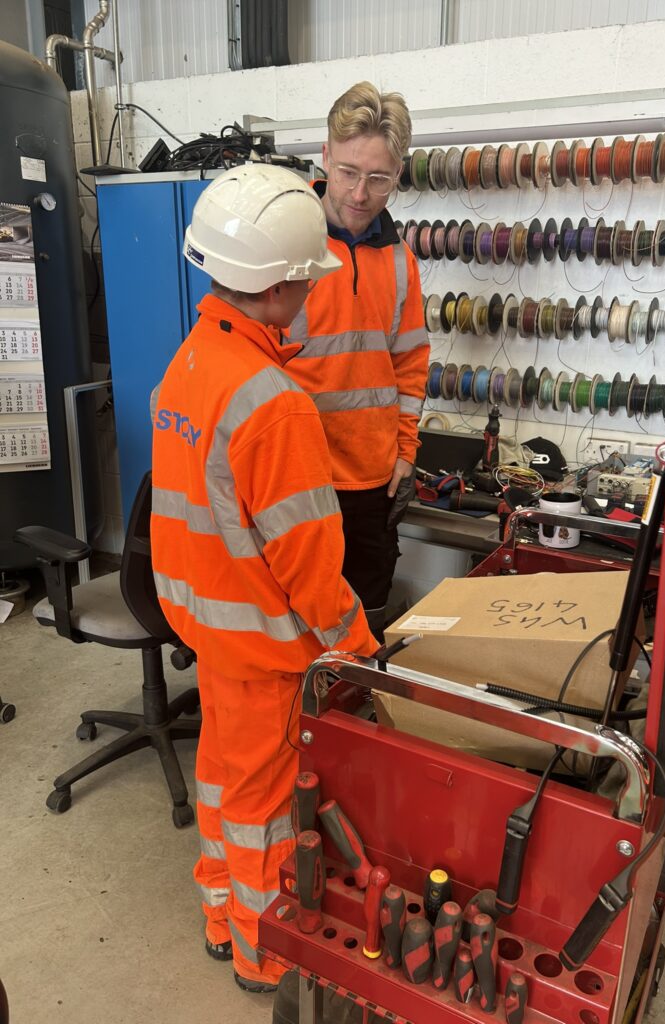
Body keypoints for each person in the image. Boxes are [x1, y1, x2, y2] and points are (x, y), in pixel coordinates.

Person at [150, 163, 378, 994]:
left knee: (221, 779)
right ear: (278, 288)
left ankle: (221, 913)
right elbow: (309, 564)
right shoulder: (275, 403)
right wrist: (357, 647)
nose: (312, 293)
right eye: (308, 280)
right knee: (266, 808)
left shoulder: (192, 362)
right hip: (264, 648)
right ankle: (261, 952)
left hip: (210, 631)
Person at [286, 82, 430, 639]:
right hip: (295, 476)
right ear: (325, 155)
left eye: (379, 179)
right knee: (297, 621)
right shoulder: (284, 244)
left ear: (398, 174)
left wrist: (405, 452)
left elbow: (410, 363)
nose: (360, 193)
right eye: (348, 172)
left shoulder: (399, 261)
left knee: (364, 615)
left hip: (373, 478)